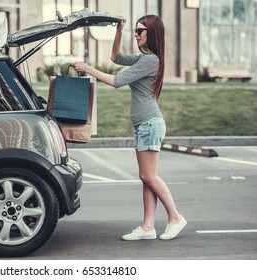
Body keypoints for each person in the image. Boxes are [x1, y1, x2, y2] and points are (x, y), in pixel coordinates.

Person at [72, 15, 187, 240]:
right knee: (147, 177)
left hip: (150, 123)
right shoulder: (142, 58)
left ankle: (175, 217)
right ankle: (148, 227)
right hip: (144, 124)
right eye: (135, 30)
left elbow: (116, 81)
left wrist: (88, 68)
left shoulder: (150, 60)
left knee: (149, 176)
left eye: (140, 31)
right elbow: (115, 57)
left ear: (151, 34)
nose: (136, 34)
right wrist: (119, 31)